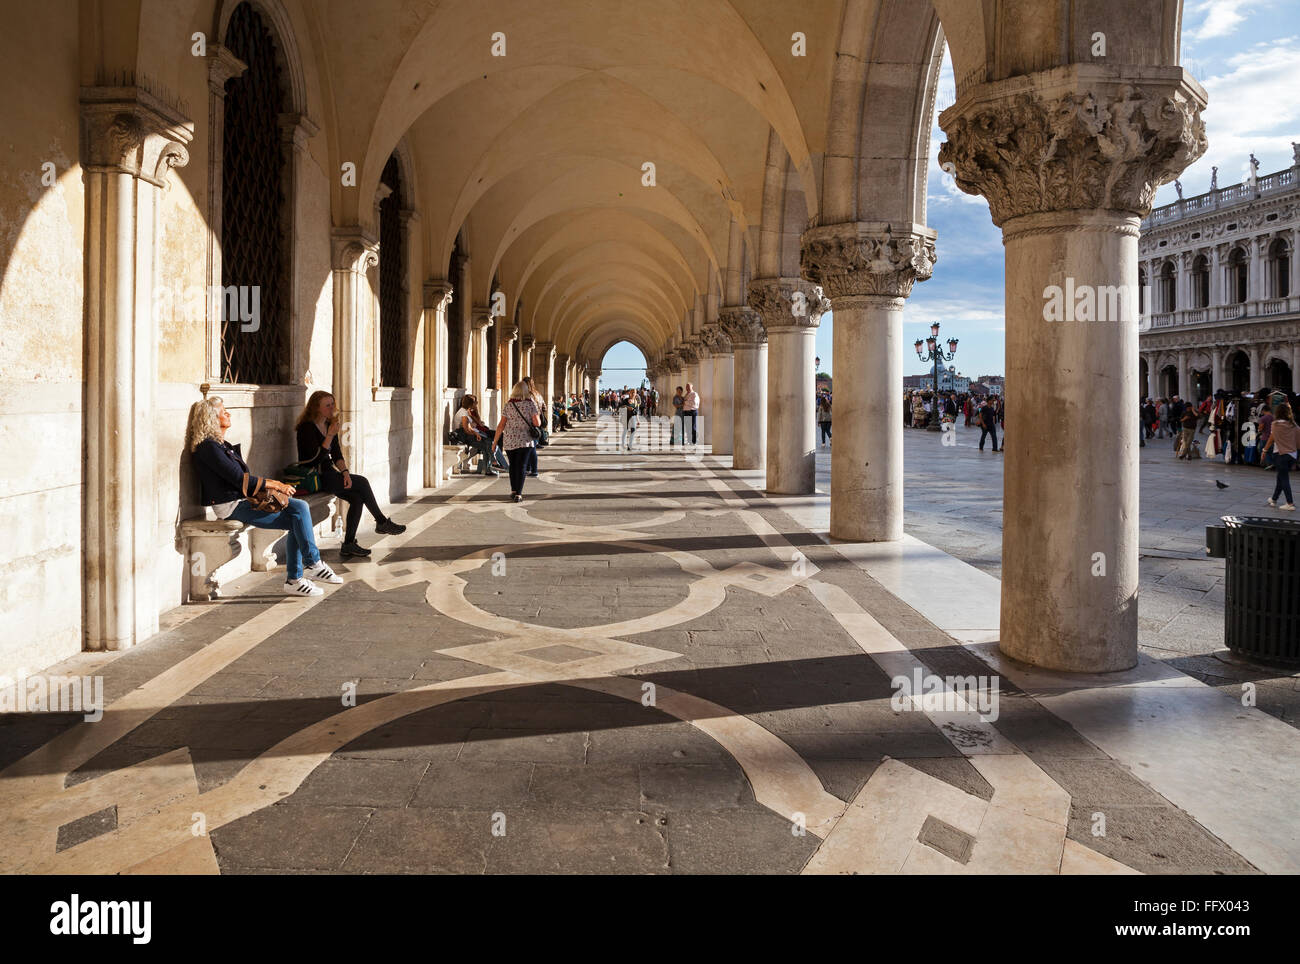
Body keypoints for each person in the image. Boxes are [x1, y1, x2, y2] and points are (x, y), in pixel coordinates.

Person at [189, 394, 343, 596]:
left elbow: (243, 478)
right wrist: (277, 485)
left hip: (243, 500)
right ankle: (305, 570)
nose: (228, 413)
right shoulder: (208, 448)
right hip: (231, 506)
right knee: (297, 517)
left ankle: (302, 574)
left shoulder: (220, 445)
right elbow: (239, 478)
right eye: (223, 412)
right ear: (211, 419)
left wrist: (273, 487)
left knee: (299, 510)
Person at [295, 390, 407, 559]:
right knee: (362, 482)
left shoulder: (328, 424)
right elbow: (314, 459)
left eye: (333, 404)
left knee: (357, 498)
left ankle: (348, 544)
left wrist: (345, 473)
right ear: (316, 408)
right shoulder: (306, 428)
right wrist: (330, 435)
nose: (332, 408)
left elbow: (337, 454)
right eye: (328, 405)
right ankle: (381, 522)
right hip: (314, 476)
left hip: (328, 474)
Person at [493, 379, 541, 502]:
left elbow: (501, 425)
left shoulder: (508, 405)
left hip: (509, 440)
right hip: (525, 440)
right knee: (522, 466)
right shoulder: (530, 404)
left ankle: (513, 490)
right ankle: (518, 494)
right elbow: (537, 422)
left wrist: (495, 442)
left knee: (513, 465)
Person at [452, 393, 501, 477]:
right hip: (465, 436)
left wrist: (475, 432)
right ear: (470, 404)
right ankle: (490, 465)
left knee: (488, 444)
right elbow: (466, 430)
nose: (476, 403)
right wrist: (476, 433)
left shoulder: (465, 411)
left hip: (468, 434)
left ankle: (490, 465)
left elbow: (469, 427)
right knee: (488, 444)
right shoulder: (464, 414)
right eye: (475, 402)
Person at [1261, 403, 1298, 510]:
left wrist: (1264, 450)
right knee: (1281, 476)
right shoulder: (1293, 424)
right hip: (1292, 455)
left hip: (1280, 454)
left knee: (1284, 478)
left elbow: (1271, 438)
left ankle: (1290, 503)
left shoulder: (1275, 424)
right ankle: (1274, 499)